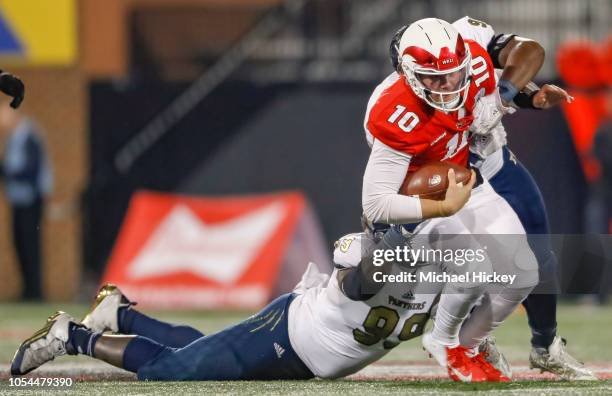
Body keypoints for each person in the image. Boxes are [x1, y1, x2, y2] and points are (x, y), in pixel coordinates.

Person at [13, 222, 517, 382]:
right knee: (170, 374)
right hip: (286, 335)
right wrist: (395, 257)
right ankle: (71, 335)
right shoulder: (366, 251)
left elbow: (475, 314)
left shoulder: (457, 276)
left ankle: (119, 313)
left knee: (200, 352)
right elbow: (357, 284)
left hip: (306, 359)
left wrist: (477, 341)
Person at [362, 17, 541, 382]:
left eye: (453, 75)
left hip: (463, 181)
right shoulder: (395, 111)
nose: (447, 85)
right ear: (410, 74)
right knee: (474, 267)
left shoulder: (473, 62)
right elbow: (376, 204)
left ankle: (469, 345)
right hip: (418, 196)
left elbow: (526, 59)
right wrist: (441, 207)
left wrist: (515, 96)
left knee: (524, 275)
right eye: (433, 78)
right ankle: (443, 341)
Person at [449, 16, 596, 380]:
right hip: (451, 171)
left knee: (539, 252)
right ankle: (469, 341)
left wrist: (517, 94)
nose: (436, 77)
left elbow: (529, 51)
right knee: (475, 263)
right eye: (424, 73)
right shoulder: (397, 97)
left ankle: (545, 346)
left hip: (494, 157)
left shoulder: (464, 36)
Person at [0, 90, 52, 301]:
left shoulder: (29, 135)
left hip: (31, 200)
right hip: (18, 199)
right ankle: (27, 289)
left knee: (30, 244)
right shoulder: (13, 139)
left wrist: (8, 170)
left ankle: (35, 291)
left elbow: (30, 169)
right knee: (19, 243)